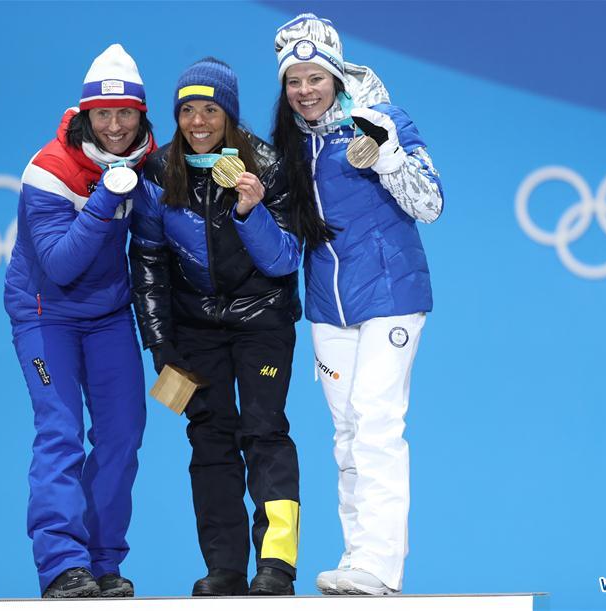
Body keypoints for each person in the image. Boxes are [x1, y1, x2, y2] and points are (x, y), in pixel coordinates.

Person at [272, 14, 444, 596]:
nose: (305, 90)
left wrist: (390, 157)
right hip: (329, 308)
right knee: (346, 433)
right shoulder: (291, 141)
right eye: (294, 81)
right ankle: (358, 557)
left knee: (376, 422)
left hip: (392, 297)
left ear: (337, 75)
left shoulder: (383, 119)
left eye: (315, 77)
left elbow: (431, 204)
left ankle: (381, 563)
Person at [129, 58, 303, 596]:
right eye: (187, 111)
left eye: (210, 109)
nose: (198, 122)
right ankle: (224, 568)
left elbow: (284, 260)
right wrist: (160, 344)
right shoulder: (159, 172)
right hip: (194, 329)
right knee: (209, 440)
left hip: (262, 320)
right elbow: (149, 261)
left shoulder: (267, 166)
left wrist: (251, 212)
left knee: (264, 431)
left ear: (229, 112)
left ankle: (276, 565)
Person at [4, 44, 154, 599]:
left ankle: (102, 561)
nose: (115, 126)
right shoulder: (49, 170)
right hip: (47, 316)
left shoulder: (148, 160)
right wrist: (105, 197)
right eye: (103, 113)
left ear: (140, 115)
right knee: (60, 432)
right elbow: (61, 266)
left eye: (126, 113)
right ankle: (63, 565)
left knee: (122, 435)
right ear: (85, 114)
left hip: (109, 315)